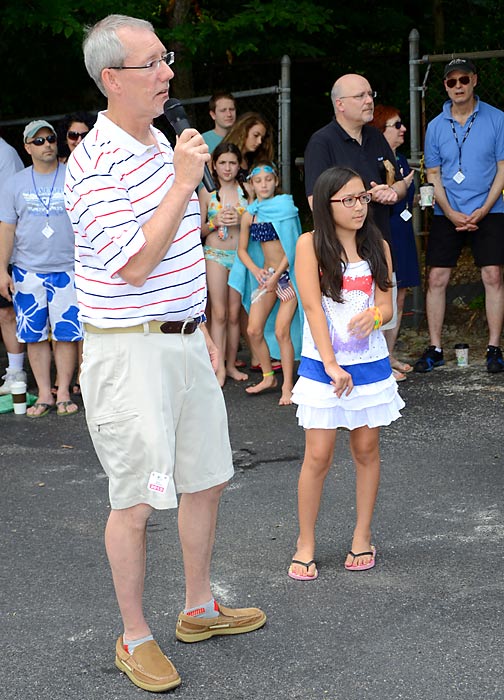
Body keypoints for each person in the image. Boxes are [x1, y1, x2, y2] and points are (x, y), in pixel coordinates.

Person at [64, 14, 266, 694]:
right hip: (128, 357)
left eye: (167, 59)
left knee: (206, 476)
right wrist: (183, 181)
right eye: (153, 63)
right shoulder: (91, 165)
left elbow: (184, 253)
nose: (169, 73)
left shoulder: (158, 140)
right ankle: (134, 635)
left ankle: (199, 608)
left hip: (181, 340)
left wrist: (202, 326)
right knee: (137, 500)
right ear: (111, 78)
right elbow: (133, 265)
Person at [289, 166, 404, 581]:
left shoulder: (379, 246)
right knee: (317, 456)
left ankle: (362, 534)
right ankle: (305, 542)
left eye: (363, 198)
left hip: (370, 365)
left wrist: (373, 316)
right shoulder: (309, 246)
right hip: (323, 366)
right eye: (348, 200)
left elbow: (388, 309)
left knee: (366, 451)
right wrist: (331, 364)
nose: (359, 207)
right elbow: (312, 307)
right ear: (326, 204)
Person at [414, 58, 504, 374]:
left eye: (463, 79)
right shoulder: (436, 126)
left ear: (474, 80)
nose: (458, 87)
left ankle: (494, 348)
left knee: (492, 274)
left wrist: (484, 207)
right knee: (437, 278)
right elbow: (433, 174)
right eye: (451, 82)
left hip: (489, 209)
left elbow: (502, 169)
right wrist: (451, 212)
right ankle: (435, 348)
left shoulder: (497, 119)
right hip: (446, 211)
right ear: (445, 87)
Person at [0, 119, 81, 417]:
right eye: (38, 141)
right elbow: (6, 229)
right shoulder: (15, 183)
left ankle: (62, 393)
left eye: (50, 139)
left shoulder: (73, 176)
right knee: (33, 335)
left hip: (68, 268)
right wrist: (1, 270)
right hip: (27, 269)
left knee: (66, 333)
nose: (46, 144)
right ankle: (44, 393)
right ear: (26, 147)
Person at [230, 161, 303, 405]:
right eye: (258, 181)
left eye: (268, 180)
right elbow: (241, 250)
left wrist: (276, 276)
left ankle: (288, 387)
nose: (264, 185)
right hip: (267, 275)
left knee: (283, 331)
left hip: (288, 276)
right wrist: (256, 270)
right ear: (251, 184)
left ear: (276, 182)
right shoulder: (250, 214)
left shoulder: (286, 207)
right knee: (253, 330)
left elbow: (292, 248)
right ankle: (268, 376)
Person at [304, 74, 407, 245]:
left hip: (381, 243)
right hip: (343, 250)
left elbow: (400, 183)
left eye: (370, 94)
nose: (368, 101)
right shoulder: (321, 143)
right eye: (360, 96)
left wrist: (392, 192)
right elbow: (316, 202)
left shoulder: (376, 137)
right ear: (340, 104)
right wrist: (367, 196)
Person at [371, 105, 421, 381]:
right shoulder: (374, 160)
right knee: (383, 293)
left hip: (402, 231)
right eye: (396, 124)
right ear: (381, 129)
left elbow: (404, 197)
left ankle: (388, 353)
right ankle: (378, 360)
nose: (403, 129)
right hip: (384, 230)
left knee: (400, 294)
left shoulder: (400, 160)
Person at [199, 142, 250, 385]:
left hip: (239, 256)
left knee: (234, 315)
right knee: (218, 313)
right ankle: (216, 367)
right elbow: (198, 230)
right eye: (222, 163)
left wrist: (243, 218)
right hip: (216, 255)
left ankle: (230, 365)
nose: (227, 168)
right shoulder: (206, 192)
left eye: (232, 162)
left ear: (239, 164)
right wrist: (215, 221)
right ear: (213, 165)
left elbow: (260, 224)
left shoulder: (247, 190)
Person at [55, 111, 96, 395]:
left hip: (92, 255)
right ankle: (66, 380)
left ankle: (87, 378)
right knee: (66, 325)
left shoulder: (99, 164)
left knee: (89, 322)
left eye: (84, 134)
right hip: (60, 257)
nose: (78, 140)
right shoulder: (57, 170)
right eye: (73, 135)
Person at [0, 134, 26, 394]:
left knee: (7, 311)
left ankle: (16, 373)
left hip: (6, 245)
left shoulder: (4, 155)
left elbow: (8, 211)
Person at [223, 112, 274, 179]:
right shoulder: (222, 156)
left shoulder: (253, 159)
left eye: (262, 138)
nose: (260, 142)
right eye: (256, 135)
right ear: (243, 132)